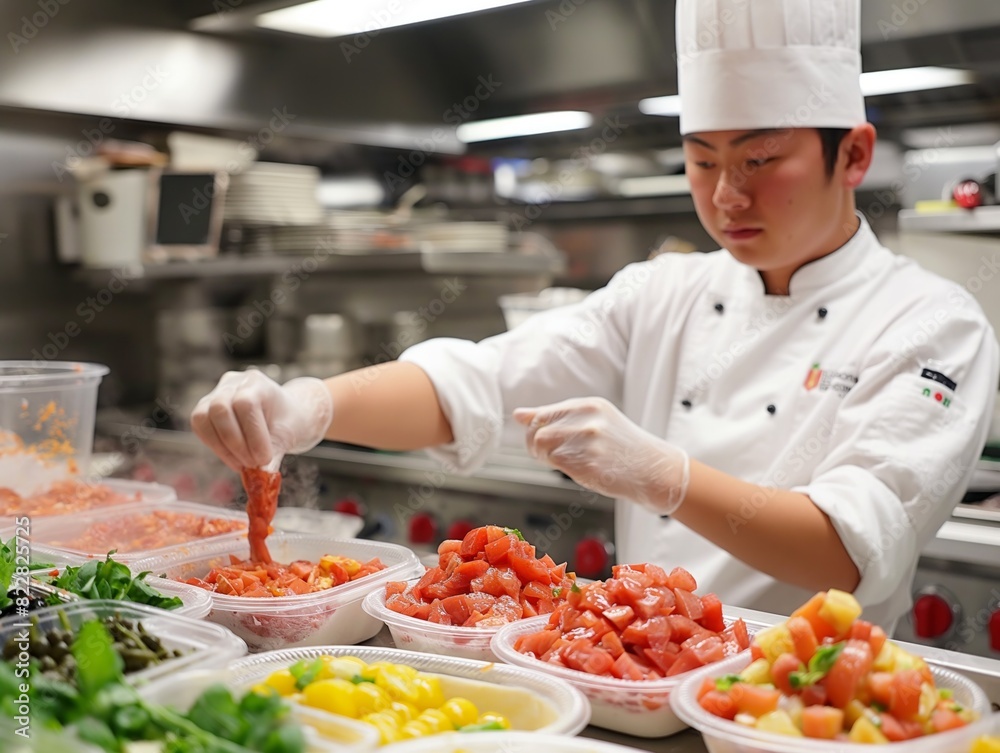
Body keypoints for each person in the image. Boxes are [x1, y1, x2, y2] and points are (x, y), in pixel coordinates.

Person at [192, 0, 999, 628]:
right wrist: (308, 405)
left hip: (793, 704)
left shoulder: (931, 322)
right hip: (633, 669)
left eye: (759, 160)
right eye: (703, 160)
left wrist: (666, 476)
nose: (726, 195)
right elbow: (477, 381)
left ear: (853, 154)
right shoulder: (667, 291)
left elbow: (850, 548)